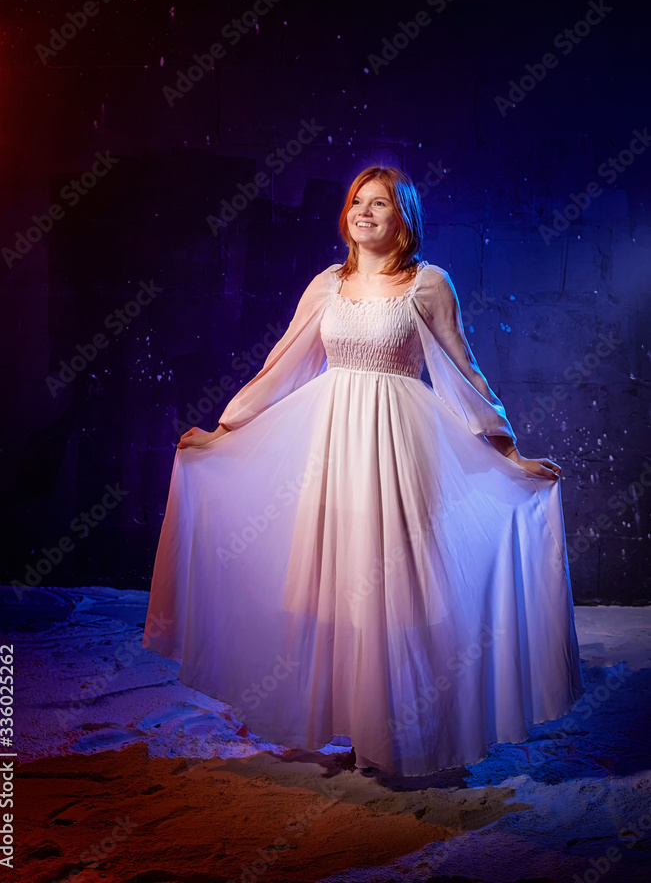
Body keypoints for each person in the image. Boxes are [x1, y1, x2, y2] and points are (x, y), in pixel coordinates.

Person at [143, 164, 584, 777]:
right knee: (334, 587)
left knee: (393, 590)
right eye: (357, 202)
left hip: (399, 447)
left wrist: (509, 452)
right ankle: (346, 723)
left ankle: (394, 731)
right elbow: (282, 362)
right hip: (330, 446)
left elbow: (464, 370)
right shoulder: (328, 284)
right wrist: (227, 429)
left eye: (379, 203)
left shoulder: (428, 283)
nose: (364, 212)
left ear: (404, 217)